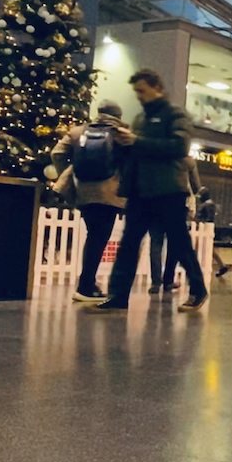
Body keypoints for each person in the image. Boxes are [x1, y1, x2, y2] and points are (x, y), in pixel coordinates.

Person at [92, 69, 209, 314]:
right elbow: (138, 152)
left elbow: (179, 146)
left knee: (179, 242)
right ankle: (118, 295)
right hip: (141, 191)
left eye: (142, 91)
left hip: (168, 190)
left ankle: (197, 289)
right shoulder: (140, 120)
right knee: (129, 243)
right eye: (136, 92)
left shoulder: (175, 115)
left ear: (157, 87)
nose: (139, 96)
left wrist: (137, 141)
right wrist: (123, 145)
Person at [51, 100, 127, 303]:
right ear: (118, 115)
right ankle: (85, 286)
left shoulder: (78, 132)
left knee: (93, 235)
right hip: (109, 193)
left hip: (84, 191)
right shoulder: (122, 133)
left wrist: (71, 175)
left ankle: (88, 283)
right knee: (98, 238)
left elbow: (57, 153)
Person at [148, 156, 201, 294]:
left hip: (154, 205)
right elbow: (196, 187)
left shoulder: (154, 157)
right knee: (174, 243)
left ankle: (155, 282)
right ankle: (168, 281)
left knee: (155, 244)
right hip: (176, 205)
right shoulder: (187, 159)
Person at [195, 187, 229, 279]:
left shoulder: (208, 204)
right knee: (209, 249)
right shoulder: (209, 204)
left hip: (204, 228)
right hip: (205, 228)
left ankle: (221, 265)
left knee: (201, 248)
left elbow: (207, 217)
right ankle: (222, 265)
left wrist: (200, 222)